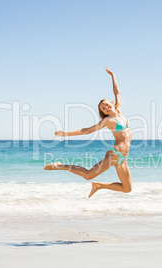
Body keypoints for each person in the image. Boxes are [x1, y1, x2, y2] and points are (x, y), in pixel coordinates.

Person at [44, 67, 132, 198]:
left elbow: (117, 92)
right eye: (103, 108)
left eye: (107, 105)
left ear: (112, 104)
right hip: (116, 154)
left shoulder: (119, 111)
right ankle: (60, 166)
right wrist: (66, 134)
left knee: (127, 189)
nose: (106, 108)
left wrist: (112, 75)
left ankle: (99, 185)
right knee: (88, 175)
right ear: (104, 112)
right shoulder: (108, 121)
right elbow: (87, 131)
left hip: (123, 158)